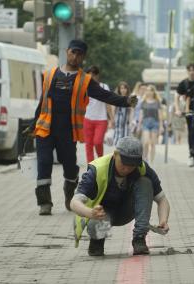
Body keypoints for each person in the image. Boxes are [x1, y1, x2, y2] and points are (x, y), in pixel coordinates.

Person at [25, 39, 137, 216]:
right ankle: (44, 203)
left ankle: (70, 196)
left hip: (68, 132)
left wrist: (125, 101)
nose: (75, 56)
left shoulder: (85, 81)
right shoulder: (50, 74)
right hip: (45, 129)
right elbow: (42, 102)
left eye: (79, 54)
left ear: (83, 57)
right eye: (72, 52)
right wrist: (33, 124)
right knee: (44, 163)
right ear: (67, 52)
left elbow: (104, 95)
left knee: (70, 167)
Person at [71, 136, 171, 256]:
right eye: (124, 163)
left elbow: (162, 199)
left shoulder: (142, 168)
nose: (128, 168)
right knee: (95, 225)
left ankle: (139, 239)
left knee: (145, 183)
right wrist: (90, 213)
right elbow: (74, 202)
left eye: (132, 165)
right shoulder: (97, 169)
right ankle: (97, 241)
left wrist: (163, 220)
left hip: (127, 211)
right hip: (102, 214)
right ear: (115, 154)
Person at [83, 65, 113, 163]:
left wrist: (112, 119)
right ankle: (91, 167)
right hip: (87, 119)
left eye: (93, 75)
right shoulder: (84, 88)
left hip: (101, 120)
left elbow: (108, 104)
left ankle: (100, 161)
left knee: (98, 142)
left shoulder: (104, 87)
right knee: (88, 144)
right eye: (89, 75)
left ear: (97, 76)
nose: (91, 78)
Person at [175, 63, 194, 166]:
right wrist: (177, 109)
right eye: (190, 70)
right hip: (189, 110)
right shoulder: (184, 84)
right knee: (192, 131)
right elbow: (176, 97)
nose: (192, 72)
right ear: (187, 71)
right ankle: (192, 155)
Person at [137, 85, 163, 163]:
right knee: (146, 142)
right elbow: (141, 115)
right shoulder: (143, 102)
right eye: (147, 90)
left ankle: (152, 162)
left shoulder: (157, 102)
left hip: (155, 123)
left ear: (153, 92)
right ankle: (145, 159)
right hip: (145, 123)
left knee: (153, 144)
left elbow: (160, 115)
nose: (149, 92)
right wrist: (139, 125)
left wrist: (161, 126)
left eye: (151, 90)